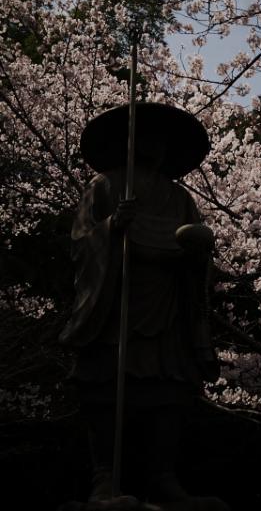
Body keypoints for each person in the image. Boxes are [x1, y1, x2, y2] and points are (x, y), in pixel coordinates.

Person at [59, 102, 222, 507]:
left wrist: (196, 253)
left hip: (166, 302)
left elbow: (197, 249)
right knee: (104, 386)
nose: (155, 146)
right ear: (127, 142)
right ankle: (104, 478)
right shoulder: (106, 186)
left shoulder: (178, 197)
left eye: (161, 140)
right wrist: (113, 226)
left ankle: (163, 476)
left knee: (168, 391)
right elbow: (80, 243)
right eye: (145, 137)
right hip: (116, 301)